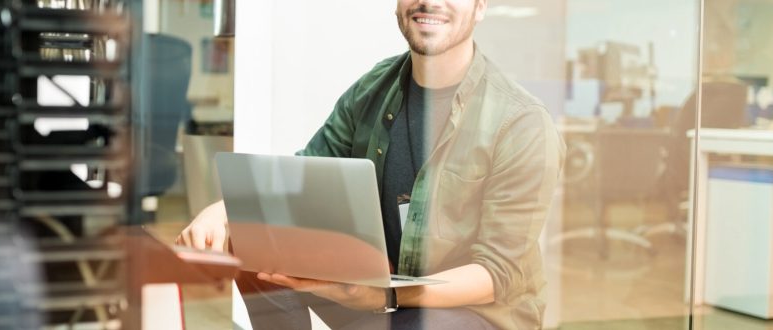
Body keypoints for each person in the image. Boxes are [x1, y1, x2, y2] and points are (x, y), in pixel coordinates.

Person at [176, 0, 564, 328]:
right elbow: (302, 178)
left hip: (468, 310)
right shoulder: (374, 88)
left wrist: (384, 295)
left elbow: (497, 274)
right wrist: (226, 211)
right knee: (256, 246)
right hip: (370, 291)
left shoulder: (520, 122)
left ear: (480, 6)